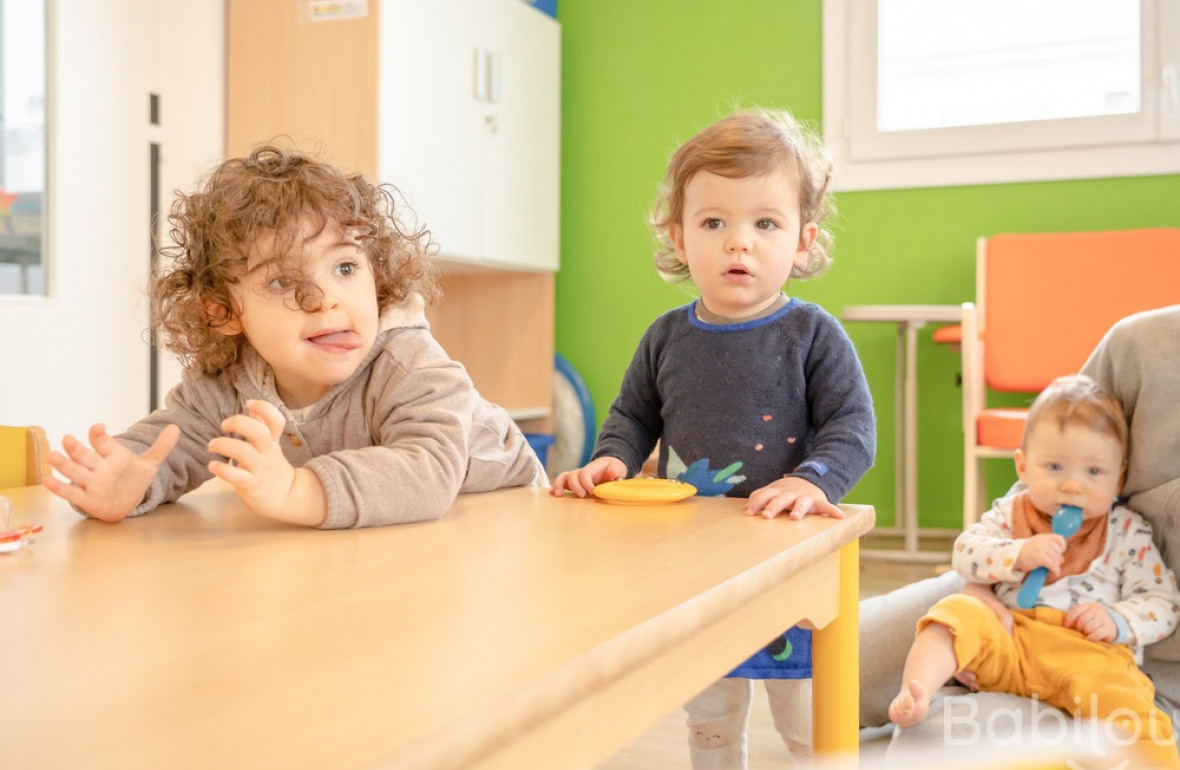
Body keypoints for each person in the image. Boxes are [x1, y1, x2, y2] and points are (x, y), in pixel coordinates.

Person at [551, 108, 876, 769]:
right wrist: (612, 458)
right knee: (712, 719)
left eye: (765, 223)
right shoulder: (666, 338)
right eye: (713, 223)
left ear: (803, 239)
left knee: (810, 726)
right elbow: (633, 415)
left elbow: (853, 428)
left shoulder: (812, 335)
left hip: (791, 565)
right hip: (695, 566)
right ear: (678, 235)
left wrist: (810, 482)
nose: (739, 243)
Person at [44, 145, 545, 529]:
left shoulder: (408, 363)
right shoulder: (229, 385)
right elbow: (174, 441)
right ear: (223, 312)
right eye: (283, 281)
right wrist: (130, 480)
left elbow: (427, 473)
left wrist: (295, 491)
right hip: (396, 537)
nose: (325, 299)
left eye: (345, 267)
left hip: (511, 518)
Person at [860, 304, 1180, 762]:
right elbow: (974, 544)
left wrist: (1119, 621)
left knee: (938, 748)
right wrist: (996, 573)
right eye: (1055, 470)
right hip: (1006, 621)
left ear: (1118, 477)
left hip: (1102, 659)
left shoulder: (1128, 534)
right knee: (833, 662)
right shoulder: (1146, 344)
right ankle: (919, 690)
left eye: (1094, 472)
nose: (1072, 485)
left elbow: (1160, 603)